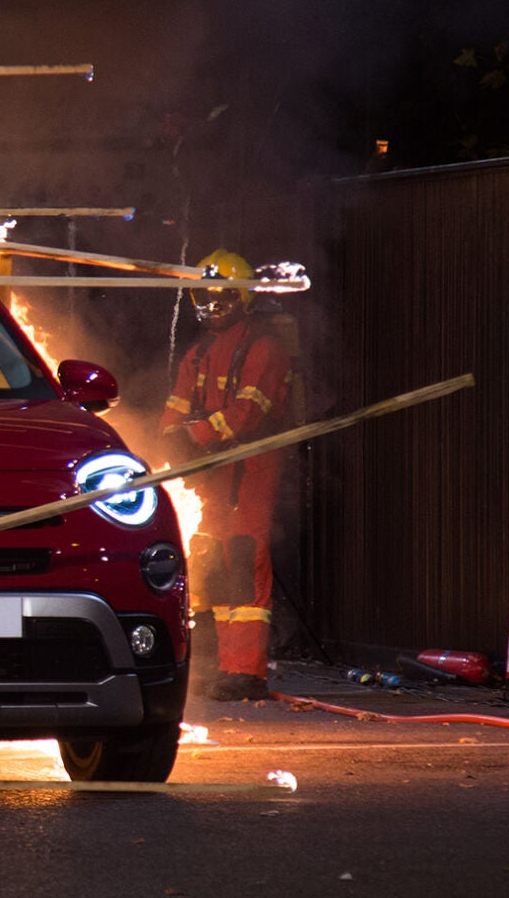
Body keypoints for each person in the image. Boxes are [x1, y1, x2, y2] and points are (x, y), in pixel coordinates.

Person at [158, 248, 294, 702]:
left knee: (243, 556)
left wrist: (192, 438)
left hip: (251, 465)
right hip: (211, 473)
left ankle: (245, 671)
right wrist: (170, 442)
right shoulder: (197, 355)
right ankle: (212, 665)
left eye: (221, 298)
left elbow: (248, 413)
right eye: (205, 298)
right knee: (208, 560)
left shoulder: (264, 349)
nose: (211, 307)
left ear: (242, 298)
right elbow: (173, 410)